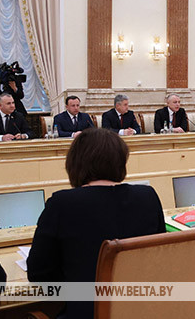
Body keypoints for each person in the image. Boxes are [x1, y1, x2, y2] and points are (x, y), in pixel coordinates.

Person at [27, 128, 166, 319]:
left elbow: (39, 274)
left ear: (75, 163)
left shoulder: (62, 203)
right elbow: (158, 259)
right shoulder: (147, 196)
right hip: (144, 310)